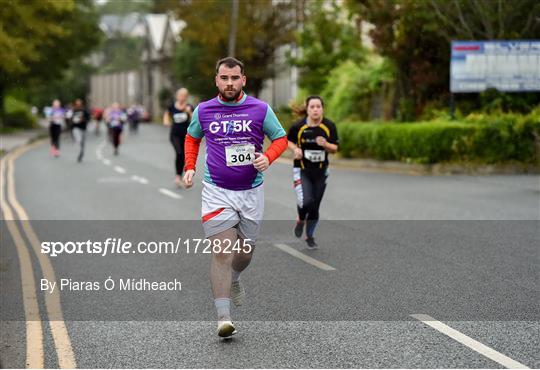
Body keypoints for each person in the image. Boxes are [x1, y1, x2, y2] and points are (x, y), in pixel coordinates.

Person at [183, 57, 288, 338]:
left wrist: (268, 157)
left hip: (251, 192)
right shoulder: (204, 110)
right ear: (216, 80)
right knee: (222, 252)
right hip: (216, 192)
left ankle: (236, 278)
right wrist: (190, 167)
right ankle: (223, 318)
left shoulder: (260, 109)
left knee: (244, 254)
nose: (229, 83)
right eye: (224, 78)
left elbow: (280, 138)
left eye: (235, 78)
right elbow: (192, 138)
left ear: (244, 79)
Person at [287, 96, 339, 249]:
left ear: (322, 109)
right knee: (306, 201)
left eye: (318, 107)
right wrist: (295, 149)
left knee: (315, 206)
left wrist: (326, 144)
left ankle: (310, 236)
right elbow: (287, 141)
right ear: (307, 109)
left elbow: (335, 149)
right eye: (312, 107)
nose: (315, 109)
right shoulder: (299, 126)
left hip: (321, 172)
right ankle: (301, 219)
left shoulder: (329, 126)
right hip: (302, 169)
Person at [163, 88, 192, 187]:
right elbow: (166, 114)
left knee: (183, 156)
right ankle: (177, 177)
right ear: (177, 96)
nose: (182, 97)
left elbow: (194, 120)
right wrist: (166, 121)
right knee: (179, 153)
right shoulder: (172, 106)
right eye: (180, 95)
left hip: (186, 135)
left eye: (184, 95)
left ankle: (179, 176)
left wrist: (189, 112)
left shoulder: (189, 107)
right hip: (174, 134)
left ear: (186, 97)